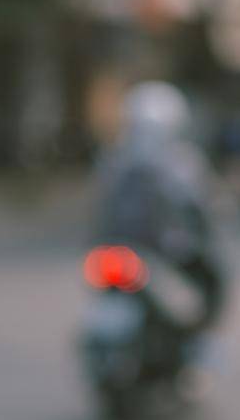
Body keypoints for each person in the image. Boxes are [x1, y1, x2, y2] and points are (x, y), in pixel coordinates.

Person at [93, 81, 226, 339]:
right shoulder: (180, 161)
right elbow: (199, 205)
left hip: (119, 252)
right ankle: (197, 339)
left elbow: (99, 210)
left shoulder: (114, 158)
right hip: (160, 252)